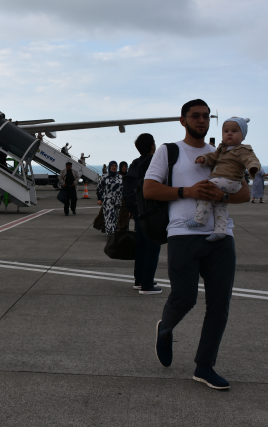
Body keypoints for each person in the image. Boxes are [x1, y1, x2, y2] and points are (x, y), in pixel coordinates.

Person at [144, 99, 250, 390]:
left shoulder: (224, 152)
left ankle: (204, 366)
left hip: (221, 236)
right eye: (195, 116)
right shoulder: (170, 151)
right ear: (183, 120)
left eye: (205, 116)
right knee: (185, 297)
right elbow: (149, 189)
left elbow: (245, 194)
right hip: (182, 234)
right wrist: (188, 191)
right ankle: (165, 328)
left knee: (219, 304)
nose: (201, 120)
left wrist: (222, 197)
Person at [189, 117, 260, 241]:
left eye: (234, 131)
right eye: (226, 131)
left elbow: (252, 160)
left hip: (230, 180)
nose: (229, 134)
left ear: (243, 135)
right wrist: (204, 158)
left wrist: (253, 168)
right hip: (224, 182)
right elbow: (213, 157)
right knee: (219, 205)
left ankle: (200, 219)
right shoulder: (222, 148)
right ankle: (220, 230)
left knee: (206, 189)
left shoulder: (244, 150)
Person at [128, 133, 162, 295]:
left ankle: (139, 280)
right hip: (152, 211)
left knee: (141, 246)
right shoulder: (154, 162)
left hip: (138, 210)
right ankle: (147, 285)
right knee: (153, 247)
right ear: (152, 146)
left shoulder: (135, 164)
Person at [97, 161, 123, 235]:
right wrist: (99, 199)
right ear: (109, 167)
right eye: (112, 166)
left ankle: (113, 233)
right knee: (109, 218)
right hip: (108, 201)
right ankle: (110, 235)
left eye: (115, 166)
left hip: (118, 201)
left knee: (116, 218)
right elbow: (99, 189)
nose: (114, 167)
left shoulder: (120, 177)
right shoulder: (104, 177)